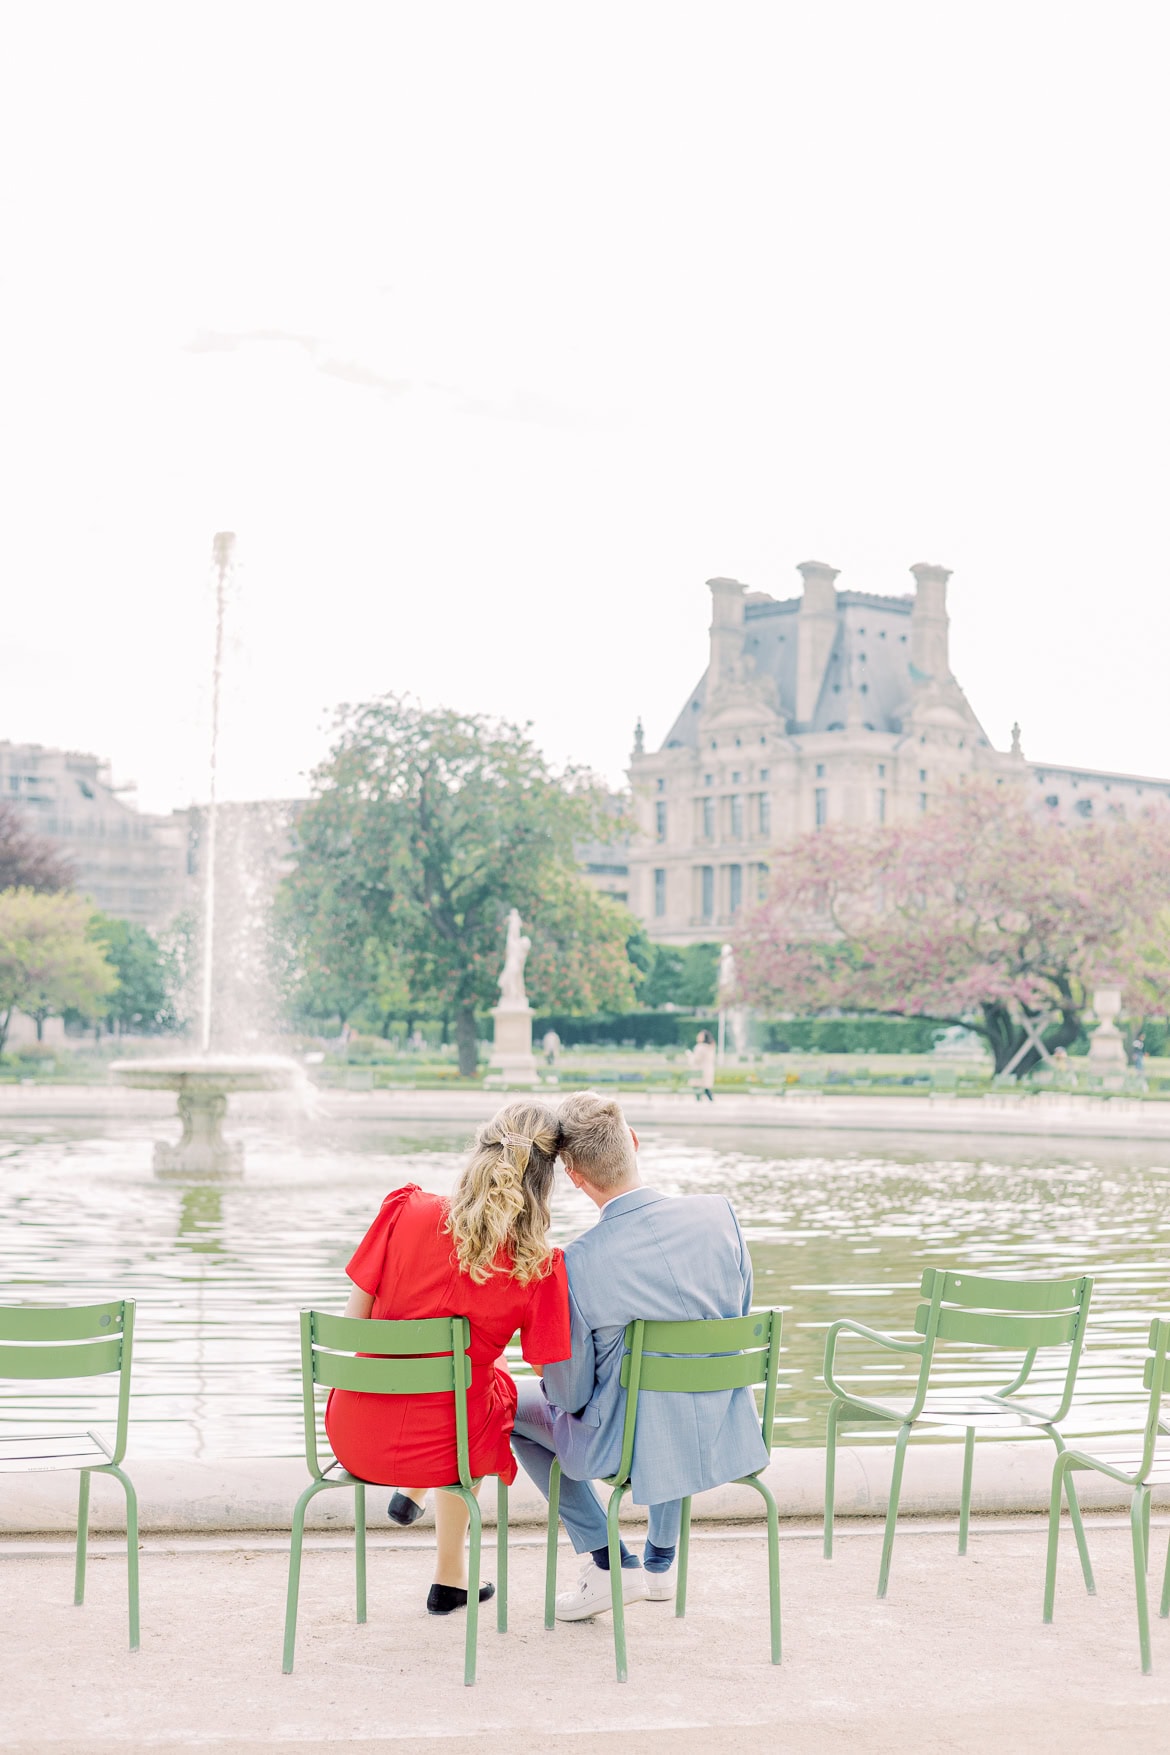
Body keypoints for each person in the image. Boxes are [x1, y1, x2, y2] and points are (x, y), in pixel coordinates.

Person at [511, 1090, 768, 1620]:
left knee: (511, 1407)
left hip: (626, 1445)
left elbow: (571, 1394)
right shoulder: (720, 1215)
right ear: (632, 1141)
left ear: (576, 1179)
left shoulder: (576, 1264)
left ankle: (608, 1562)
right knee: (669, 1383)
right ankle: (660, 1558)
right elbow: (735, 1318)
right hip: (722, 1418)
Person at [324, 1100, 571, 1615]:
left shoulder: (403, 1211)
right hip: (447, 1447)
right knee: (483, 1386)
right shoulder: (540, 1265)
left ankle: (414, 1494)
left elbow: (355, 1327)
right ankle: (449, 1578)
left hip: (355, 1432)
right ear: (545, 1180)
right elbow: (550, 1375)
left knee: (469, 1381)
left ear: (481, 1147)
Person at [689, 1028, 716, 1101]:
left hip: (699, 1070)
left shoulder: (700, 1047)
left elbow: (696, 1059)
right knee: (706, 1087)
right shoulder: (711, 1047)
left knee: (697, 1086)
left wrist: (690, 1055)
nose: (698, 1037)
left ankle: (699, 1101)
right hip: (708, 1070)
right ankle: (710, 1101)